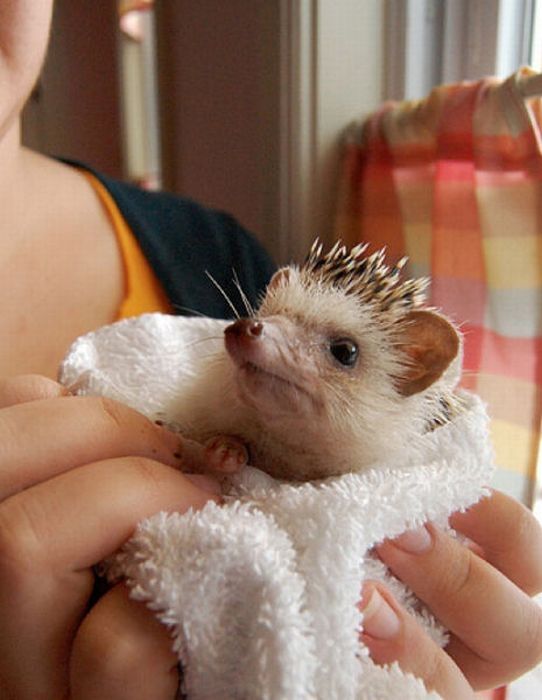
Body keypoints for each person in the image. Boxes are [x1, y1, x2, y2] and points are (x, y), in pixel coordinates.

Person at [0, 2, 541, 699]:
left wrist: (457, 675)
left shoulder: (213, 251)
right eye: (266, 316)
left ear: (415, 370)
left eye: (342, 353)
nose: (254, 333)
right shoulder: (188, 348)